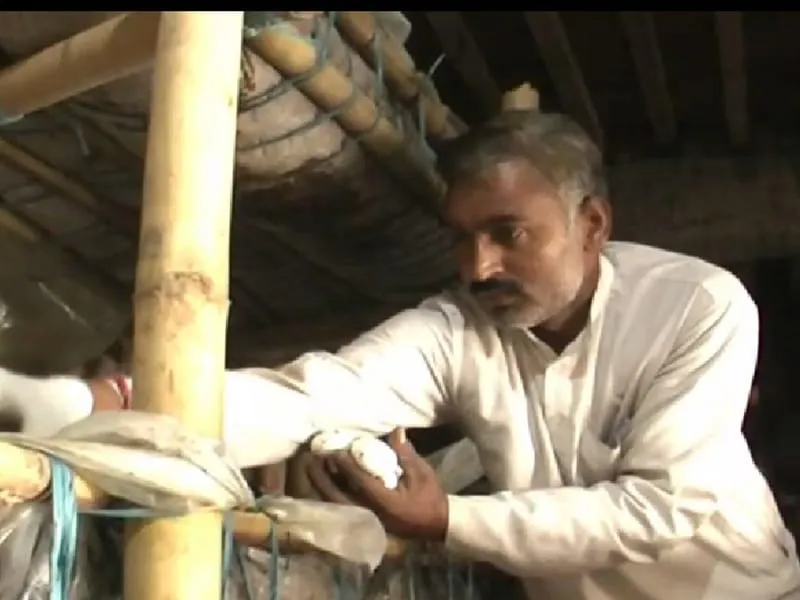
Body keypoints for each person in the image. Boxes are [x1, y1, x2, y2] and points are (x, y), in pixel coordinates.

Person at [0, 110, 797, 599]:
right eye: (462, 237)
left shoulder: (699, 305)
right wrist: (93, 405)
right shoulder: (460, 328)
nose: (476, 266)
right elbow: (315, 396)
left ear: (592, 225)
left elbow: (659, 511)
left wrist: (446, 517)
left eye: (508, 234)